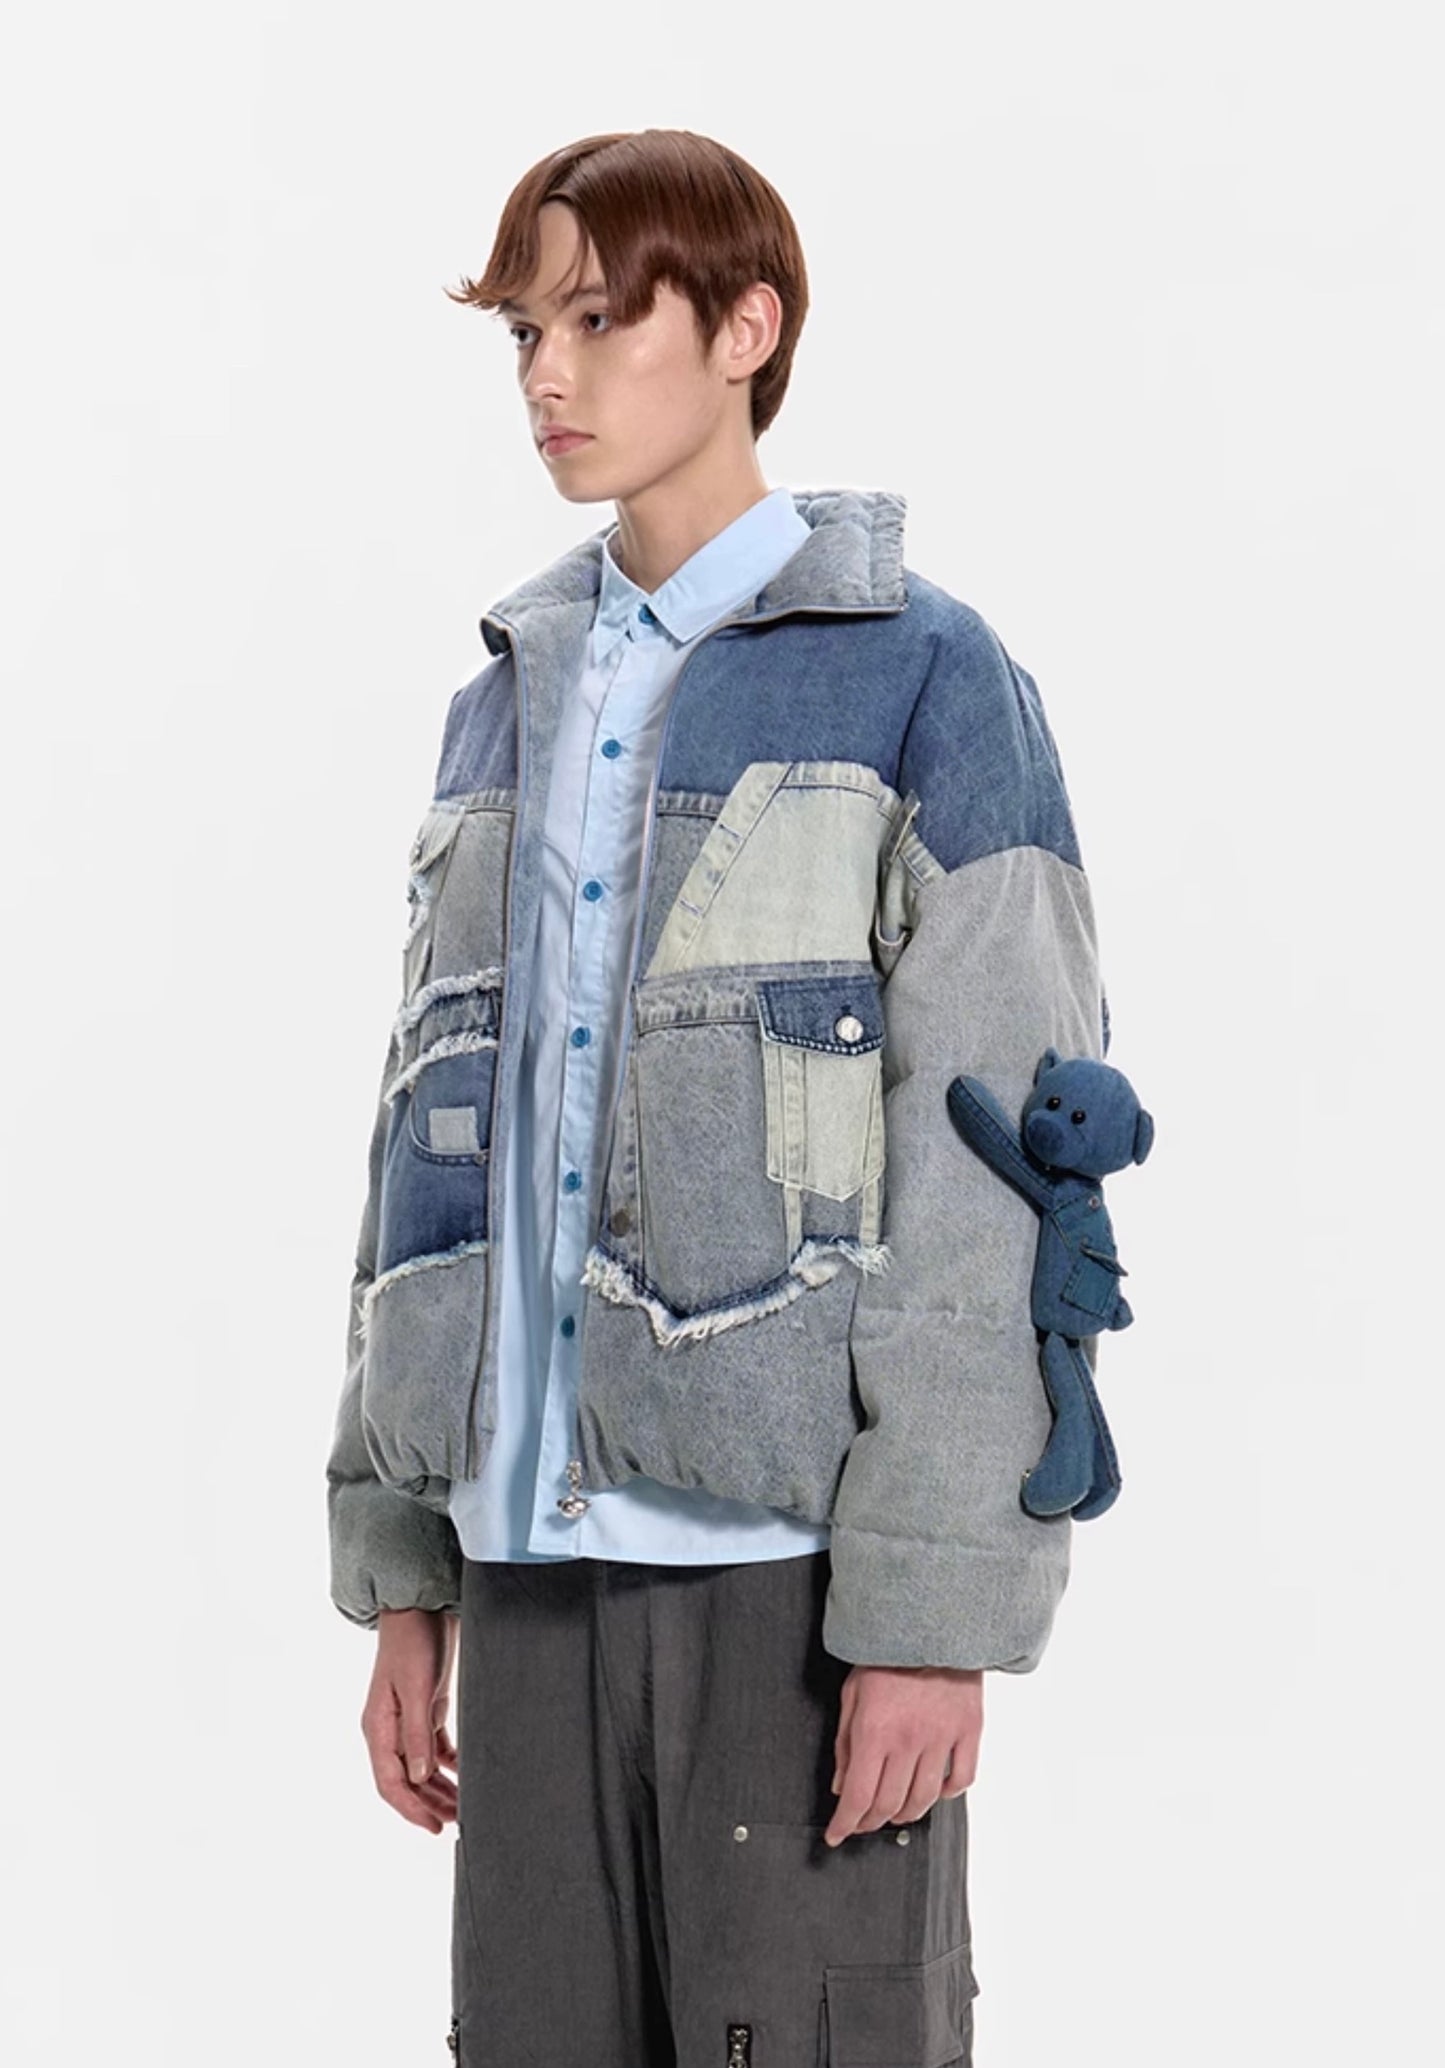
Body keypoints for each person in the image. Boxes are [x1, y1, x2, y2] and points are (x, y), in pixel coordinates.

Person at [326, 127, 1112, 2068]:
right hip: (521, 1575)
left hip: (789, 1592)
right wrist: (404, 1558)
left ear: (747, 327)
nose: (548, 374)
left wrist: (932, 1605)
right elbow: (434, 1143)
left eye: (599, 319)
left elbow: (1003, 1177)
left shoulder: (928, 678)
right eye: (525, 331)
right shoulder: (501, 699)